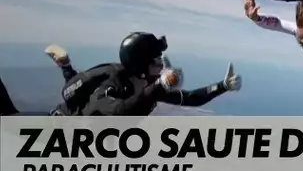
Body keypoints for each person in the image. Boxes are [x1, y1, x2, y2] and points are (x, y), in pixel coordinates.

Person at [81, 32, 242, 116]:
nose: (161, 66)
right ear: (142, 64)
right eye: (156, 60)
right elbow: (120, 111)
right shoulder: (111, 83)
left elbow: (191, 98)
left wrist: (223, 86)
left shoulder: (148, 85)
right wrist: (158, 86)